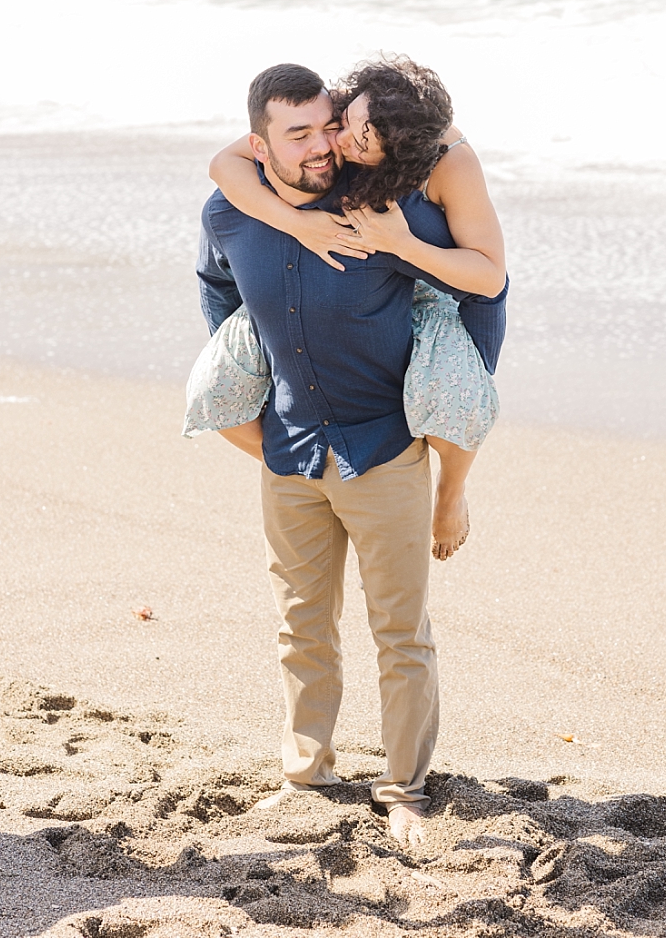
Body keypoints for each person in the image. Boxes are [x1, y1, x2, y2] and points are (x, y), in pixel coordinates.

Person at [195, 63, 488, 845]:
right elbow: (215, 286)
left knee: (401, 631)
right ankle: (306, 772)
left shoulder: (376, 207)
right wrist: (241, 369)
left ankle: (404, 788)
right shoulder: (232, 213)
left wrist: (456, 406)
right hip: (288, 453)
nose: (326, 144)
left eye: (331, 125)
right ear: (262, 147)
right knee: (301, 624)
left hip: (384, 449)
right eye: (302, 134)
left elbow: (479, 285)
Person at [195, 55, 506, 561]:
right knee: (220, 394)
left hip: (450, 280)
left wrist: (403, 244)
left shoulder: (448, 162)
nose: (335, 144)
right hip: (381, 257)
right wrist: (296, 224)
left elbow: (489, 279)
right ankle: (325, 471)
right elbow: (224, 164)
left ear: (391, 160)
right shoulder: (346, 110)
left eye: (358, 145)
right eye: (346, 124)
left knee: (456, 398)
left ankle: (450, 496)